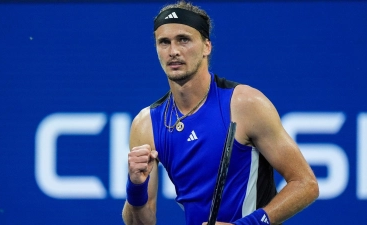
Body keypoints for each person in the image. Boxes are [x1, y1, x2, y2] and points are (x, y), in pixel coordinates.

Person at [122, 1, 319, 224]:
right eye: (164, 42)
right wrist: (135, 187)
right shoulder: (146, 124)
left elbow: (305, 184)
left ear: (207, 46)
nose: (173, 51)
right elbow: (140, 221)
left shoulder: (244, 103)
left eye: (184, 40)